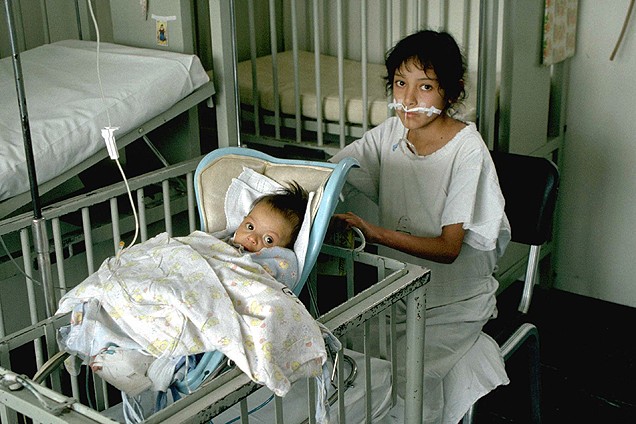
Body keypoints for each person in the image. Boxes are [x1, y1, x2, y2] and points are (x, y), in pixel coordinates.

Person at [330, 29, 511, 423]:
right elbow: (334, 173)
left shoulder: (467, 151)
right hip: (398, 295)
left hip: (453, 304)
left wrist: (373, 232)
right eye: (399, 83)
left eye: (425, 86)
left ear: (452, 92)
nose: (408, 100)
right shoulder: (392, 134)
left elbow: (449, 248)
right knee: (348, 368)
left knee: (409, 380)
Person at [226, 181, 309, 287]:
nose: (252, 238)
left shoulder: (276, 263)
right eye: (250, 227)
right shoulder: (223, 241)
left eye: (268, 240)